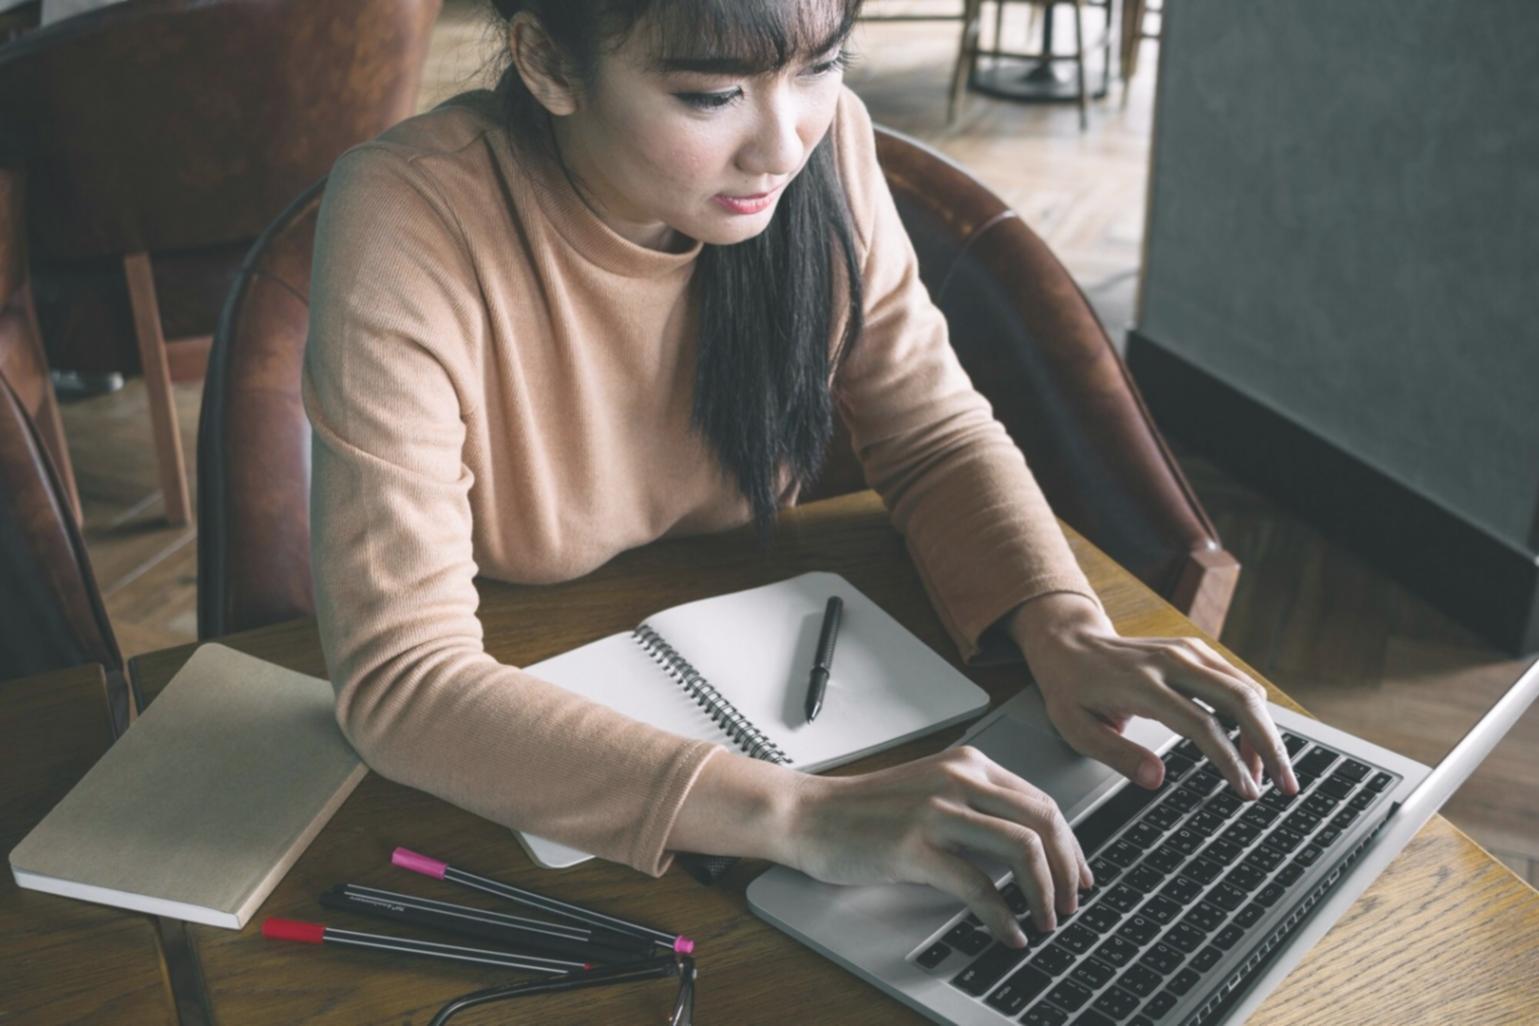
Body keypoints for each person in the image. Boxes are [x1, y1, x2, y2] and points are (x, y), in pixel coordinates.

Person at [304, 0, 1297, 950]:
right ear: (549, 63)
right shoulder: (410, 213)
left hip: (776, 666)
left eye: (821, 67)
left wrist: (1066, 626)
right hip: (527, 717)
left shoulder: (829, 147)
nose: (783, 146)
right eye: (710, 95)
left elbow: (931, 432)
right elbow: (403, 678)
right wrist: (799, 816)